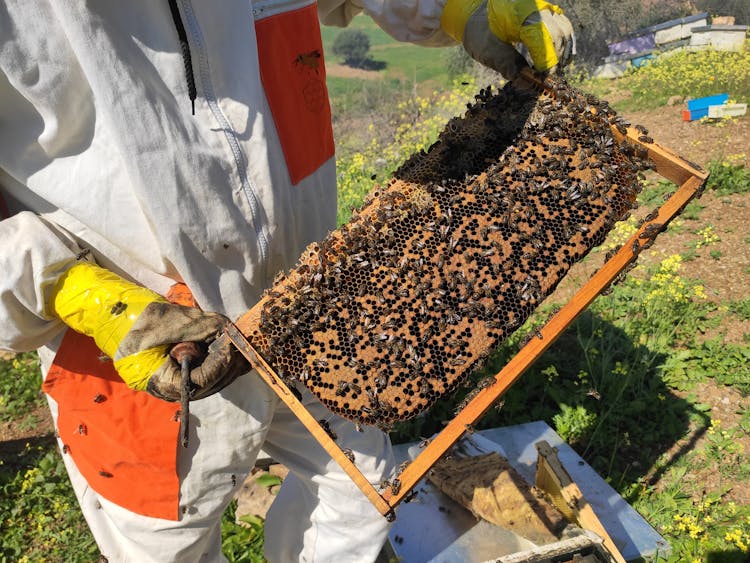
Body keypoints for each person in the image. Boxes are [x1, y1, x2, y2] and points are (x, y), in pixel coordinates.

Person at [0, 1, 572, 561]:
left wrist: (457, 5)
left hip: (309, 297)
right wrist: (70, 288)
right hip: (145, 331)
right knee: (167, 544)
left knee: (362, 491)